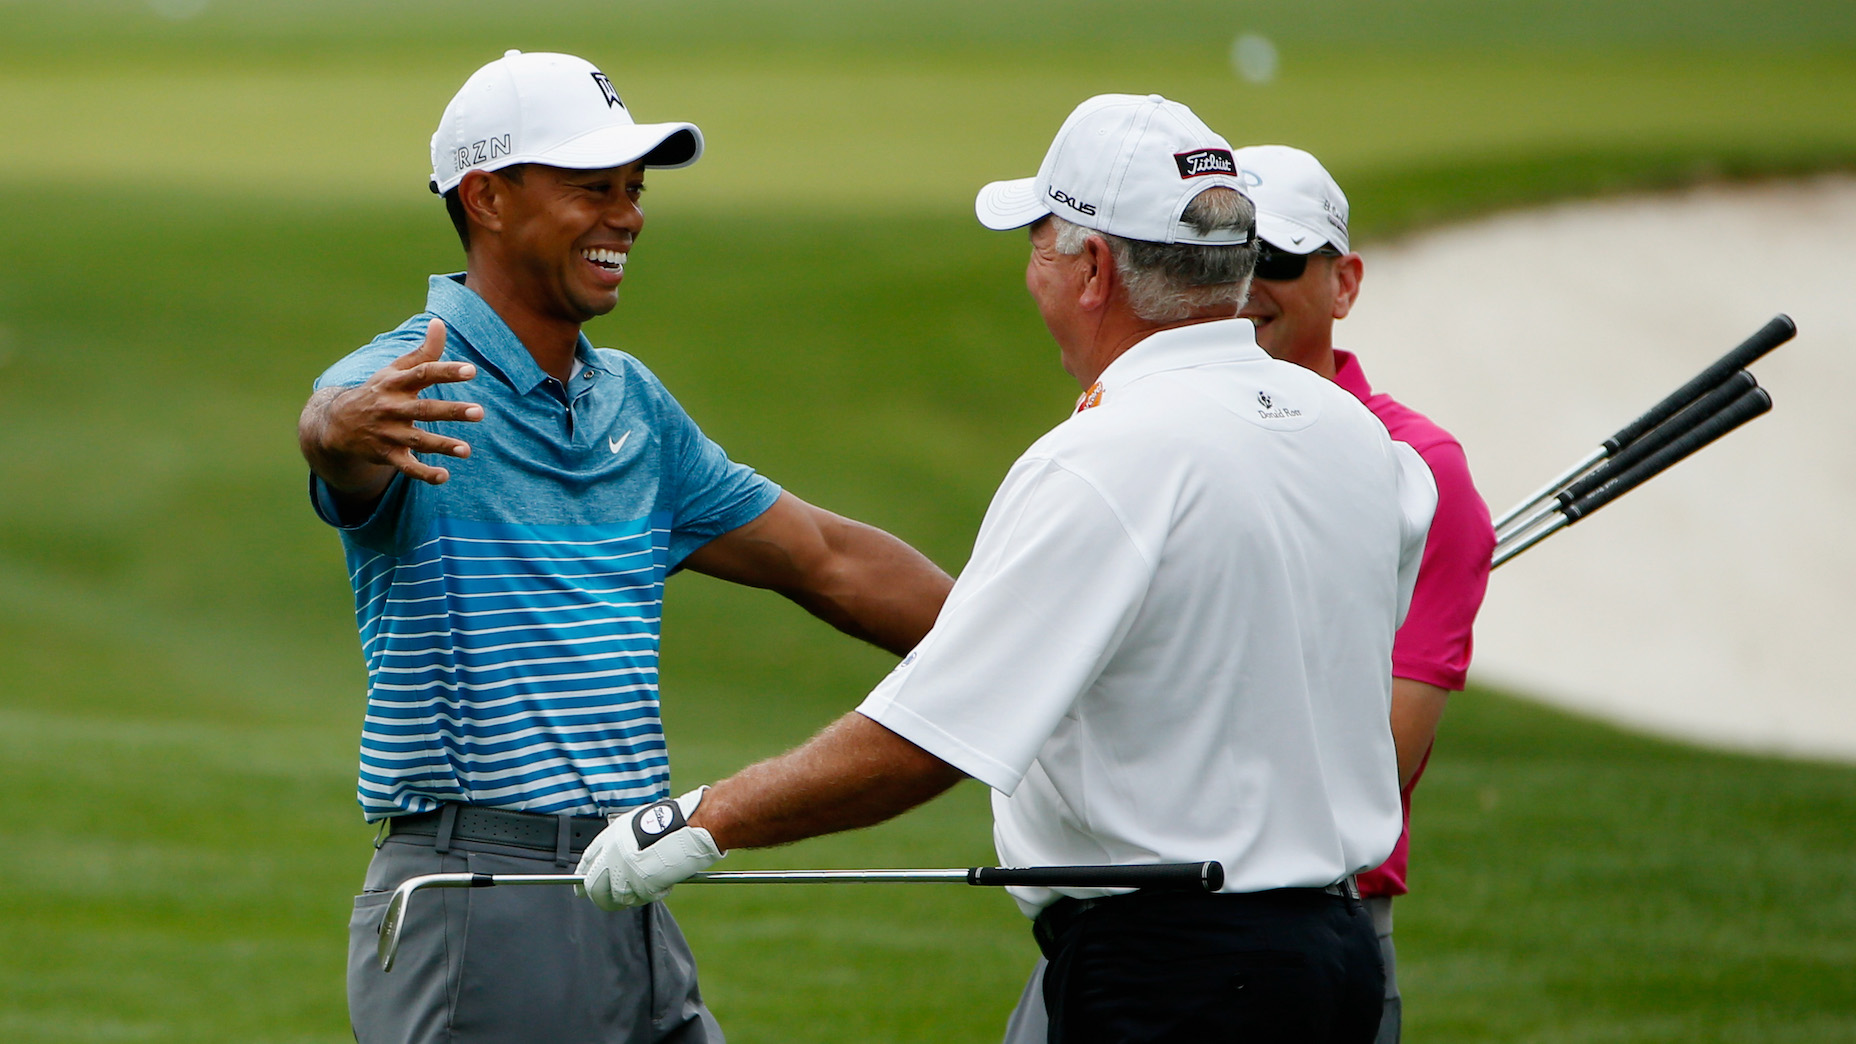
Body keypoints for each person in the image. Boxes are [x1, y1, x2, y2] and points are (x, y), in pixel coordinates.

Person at [573, 94, 1438, 1044]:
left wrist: (702, 820)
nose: (1034, 275)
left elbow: (932, 736)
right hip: (1340, 959)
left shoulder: (1102, 458)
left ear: (1095, 268)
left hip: (1175, 977)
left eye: (1041, 245)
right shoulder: (1365, 443)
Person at [297, 51, 953, 1044]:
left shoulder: (633, 405)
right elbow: (337, 437)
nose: (628, 215)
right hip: (478, 897)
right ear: (487, 198)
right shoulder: (408, 385)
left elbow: (826, 559)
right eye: (592, 189)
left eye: (633, 191)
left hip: (629, 885)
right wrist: (333, 435)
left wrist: (1025, 652)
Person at [1236, 144, 1496, 1043]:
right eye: (1222, 257)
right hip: (1121, 931)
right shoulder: (1141, 432)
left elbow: (1379, 762)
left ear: (1343, 283)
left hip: (1317, 923)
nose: (1243, 285)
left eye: (1274, 260)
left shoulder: (1419, 475)